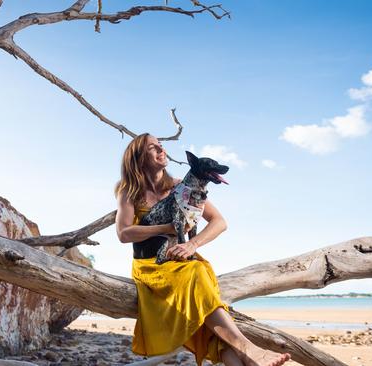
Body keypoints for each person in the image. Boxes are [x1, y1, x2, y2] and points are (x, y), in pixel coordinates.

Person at [115, 133, 291, 366]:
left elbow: (219, 221)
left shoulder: (182, 186)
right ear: (138, 157)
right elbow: (124, 233)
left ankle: (249, 357)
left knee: (208, 320)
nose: (161, 150)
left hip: (183, 262)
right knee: (197, 275)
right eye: (152, 148)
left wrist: (192, 244)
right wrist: (167, 228)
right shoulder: (129, 190)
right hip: (151, 267)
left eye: (161, 146)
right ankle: (249, 348)